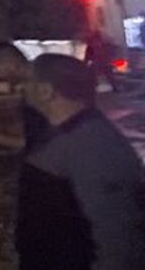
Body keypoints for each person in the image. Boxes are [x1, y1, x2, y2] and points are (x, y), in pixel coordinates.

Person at [15, 53, 145, 270]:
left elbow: (118, 233)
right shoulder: (68, 134)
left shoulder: (93, 144)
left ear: (46, 91)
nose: (21, 88)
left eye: (28, 81)